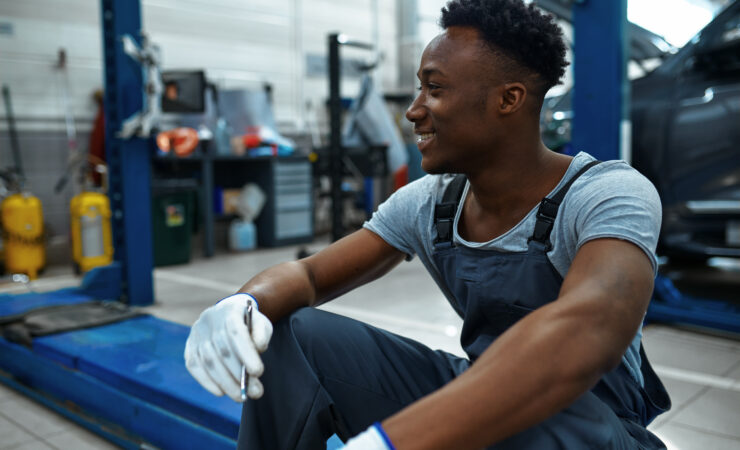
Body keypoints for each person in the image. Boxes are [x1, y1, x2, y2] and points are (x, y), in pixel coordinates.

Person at [184, 0, 671, 448]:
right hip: (481, 406)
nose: (414, 111)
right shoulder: (432, 204)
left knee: (550, 399)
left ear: (509, 99)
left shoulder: (606, 194)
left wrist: (391, 441)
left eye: (434, 89)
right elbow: (310, 276)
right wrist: (246, 302)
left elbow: (589, 328)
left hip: (593, 431)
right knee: (293, 333)